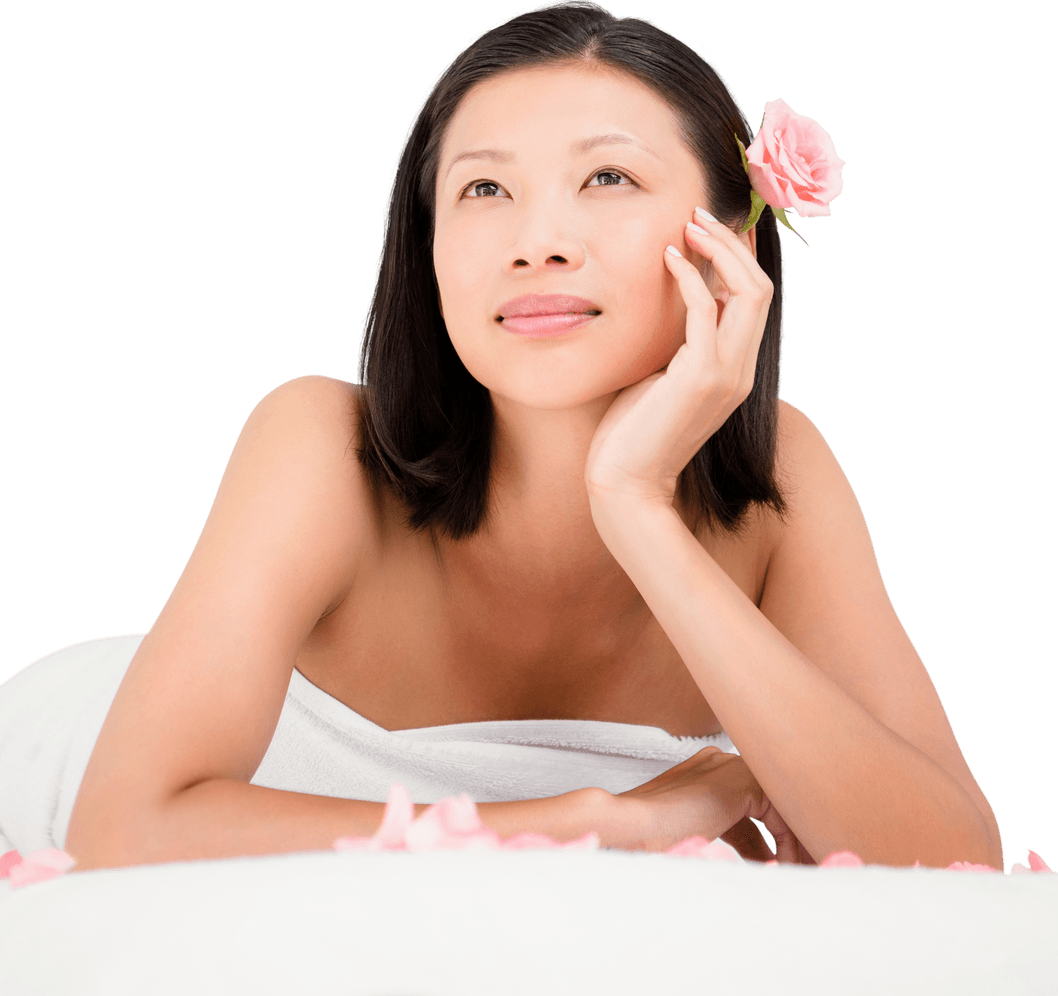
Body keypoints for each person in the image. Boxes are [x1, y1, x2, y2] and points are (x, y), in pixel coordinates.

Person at [56, 0, 1001, 872]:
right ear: (425, 251)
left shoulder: (780, 478)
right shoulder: (319, 447)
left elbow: (953, 857)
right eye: (483, 191)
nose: (537, 242)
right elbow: (127, 831)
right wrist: (601, 817)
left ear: (731, 244)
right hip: (71, 770)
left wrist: (634, 506)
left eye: (608, 176)